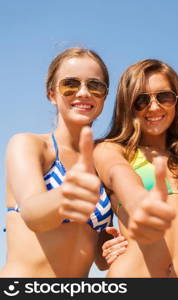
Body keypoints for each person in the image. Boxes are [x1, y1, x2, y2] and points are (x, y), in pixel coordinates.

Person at [0, 47, 116, 277]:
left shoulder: (103, 161)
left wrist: (116, 246)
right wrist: (67, 194)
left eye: (94, 86)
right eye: (70, 84)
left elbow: (101, 260)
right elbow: (33, 213)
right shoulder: (30, 145)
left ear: (104, 96)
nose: (83, 93)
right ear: (52, 94)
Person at [94, 59, 178, 277]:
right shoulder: (111, 150)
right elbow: (118, 173)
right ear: (127, 106)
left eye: (164, 97)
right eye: (141, 100)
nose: (154, 106)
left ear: (177, 102)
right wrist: (140, 203)